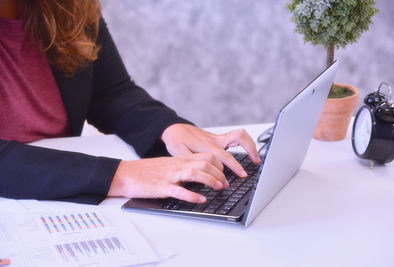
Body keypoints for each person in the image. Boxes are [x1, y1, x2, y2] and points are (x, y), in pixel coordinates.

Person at [0, 0, 260, 205]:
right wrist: (118, 176)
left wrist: (168, 128)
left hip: (57, 196)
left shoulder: (69, 6)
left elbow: (109, 92)